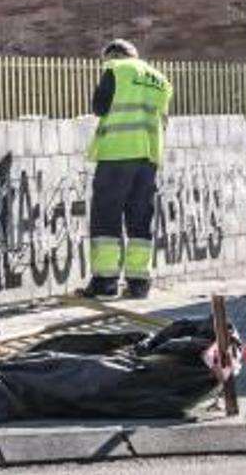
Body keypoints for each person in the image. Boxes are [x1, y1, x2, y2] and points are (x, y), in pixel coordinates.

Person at [82, 39, 173, 299]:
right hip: (148, 157)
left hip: (118, 153)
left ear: (114, 56)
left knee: (106, 216)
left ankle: (106, 281)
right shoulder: (160, 79)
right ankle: (139, 282)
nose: (105, 65)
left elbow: (99, 107)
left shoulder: (117, 69)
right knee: (140, 219)